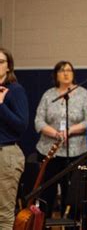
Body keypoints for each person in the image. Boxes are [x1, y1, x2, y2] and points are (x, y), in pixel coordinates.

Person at [35, 60, 87, 219]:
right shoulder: (48, 95)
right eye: (62, 71)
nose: (66, 73)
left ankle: (71, 225)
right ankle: (45, 224)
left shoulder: (83, 94)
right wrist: (55, 133)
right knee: (47, 193)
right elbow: (38, 121)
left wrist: (70, 131)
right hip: (49, 151)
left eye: (69, 70)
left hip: (76, 151)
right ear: (56, 75)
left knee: (72, 195)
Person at [0, 48, 29, 229]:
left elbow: (21, 125)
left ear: (8, 67)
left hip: (6, 154)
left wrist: (1, 106)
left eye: (0, 62)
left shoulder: (15, 90)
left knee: (3, 214)